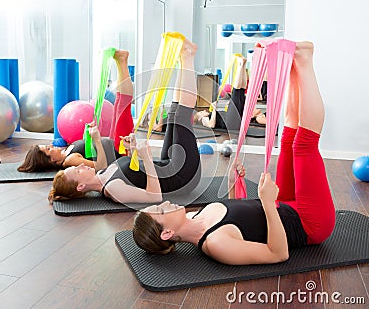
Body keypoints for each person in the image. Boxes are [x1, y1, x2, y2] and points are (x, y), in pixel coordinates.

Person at [133, 41, 336, 265]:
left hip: (283, 204)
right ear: (167, 234)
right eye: (161, 210)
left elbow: (241, 220)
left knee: (287, 140)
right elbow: (278, 254)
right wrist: (267, 202)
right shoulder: (216, 244)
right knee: (303, 145)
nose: (166, 203)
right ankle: (306, 61)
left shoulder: (194, 216)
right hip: (309, 223)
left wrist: (232, 182)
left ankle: (296, 65)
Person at [48, 38, 201, 204]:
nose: (81, 166)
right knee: (181, 117)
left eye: (76, 167)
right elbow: (154, 197)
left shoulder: (101, 173)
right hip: (182, 176)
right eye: (77, 171)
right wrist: (147, 158)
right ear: (80, 186)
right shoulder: (112, 189)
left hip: (168, 167)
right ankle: (188, 56)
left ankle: (183, 59)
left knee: (173, 114)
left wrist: (133, 149)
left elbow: (137, 174)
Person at [17, 49, 134, 173]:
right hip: (119, 151)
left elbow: (88, 151)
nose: (51, 145)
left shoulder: (66, 152)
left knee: (119, 104)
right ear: (51, 160)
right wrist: (96, 139)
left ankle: (122, 62)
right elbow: (101, 167)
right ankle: (122, 62)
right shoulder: (70, 160)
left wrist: (88, 136)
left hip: (112, 144)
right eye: (48, 149)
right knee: (123, 105)